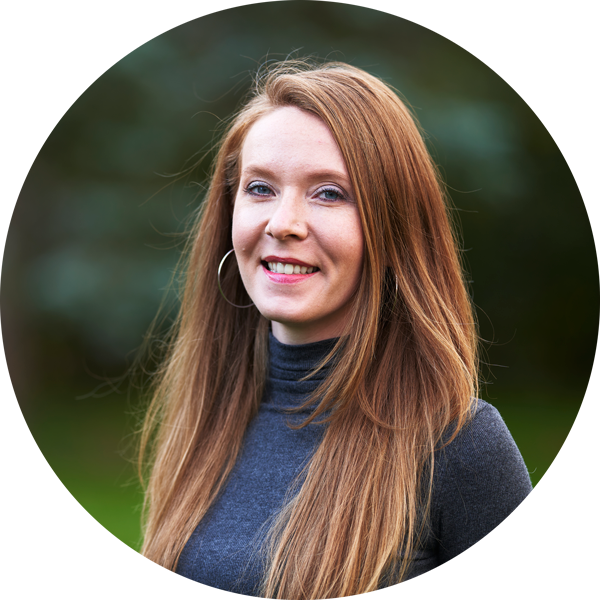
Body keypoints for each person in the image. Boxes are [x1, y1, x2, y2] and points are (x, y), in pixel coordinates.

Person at [130, 60, 540, 600]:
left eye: (328, 193)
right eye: (260, 188)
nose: (283, 223)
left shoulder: (458, 447)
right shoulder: (210, 416)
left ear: (392, 228)